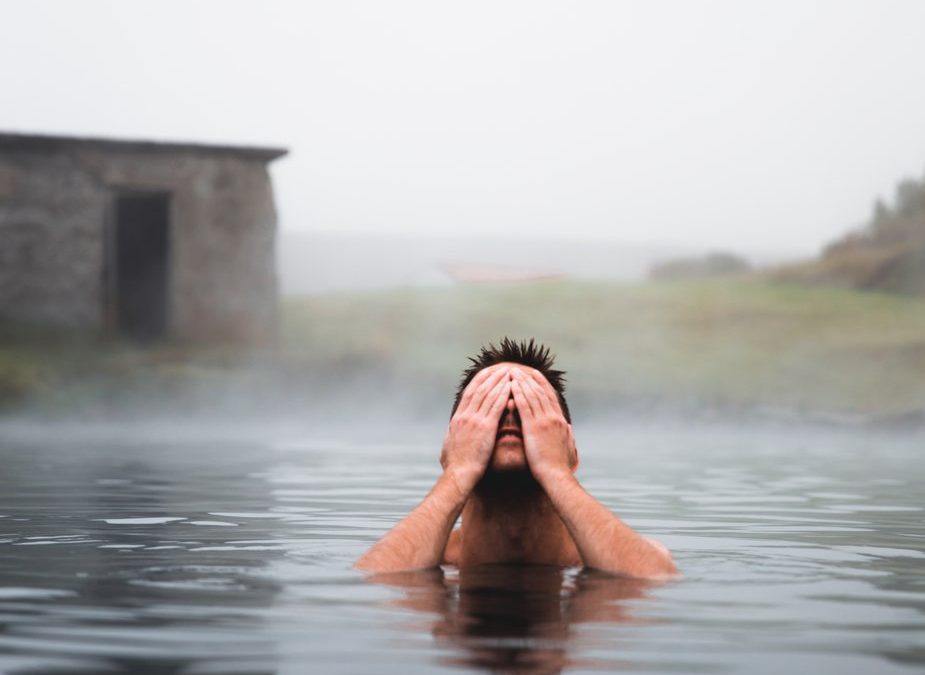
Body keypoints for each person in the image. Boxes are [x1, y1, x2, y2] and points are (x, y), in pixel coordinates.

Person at [355, 338, 677, 578]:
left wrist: (555, 471)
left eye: (531, 407)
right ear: (451, 445)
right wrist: (459, 471)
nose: (510, 413)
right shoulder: (413, 555)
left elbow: (656, 578)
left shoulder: (625, 557)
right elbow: (370, 587)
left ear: (572, 453)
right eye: (488, 406)